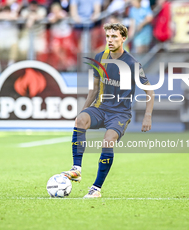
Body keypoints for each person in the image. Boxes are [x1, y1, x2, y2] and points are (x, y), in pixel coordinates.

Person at [62, 23, 154, 198]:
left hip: (120, 113)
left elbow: (150, 90)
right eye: (108, 37)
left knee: (108, 139)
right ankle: (76, 169)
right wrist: (83, 111)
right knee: (80, 120)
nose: (110, 40)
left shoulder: (132, 64)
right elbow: (94, 89)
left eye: (114, 37)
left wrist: (147, 116)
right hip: (100, 108)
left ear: (123, 38)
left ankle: (96, 188)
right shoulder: (100, 57)